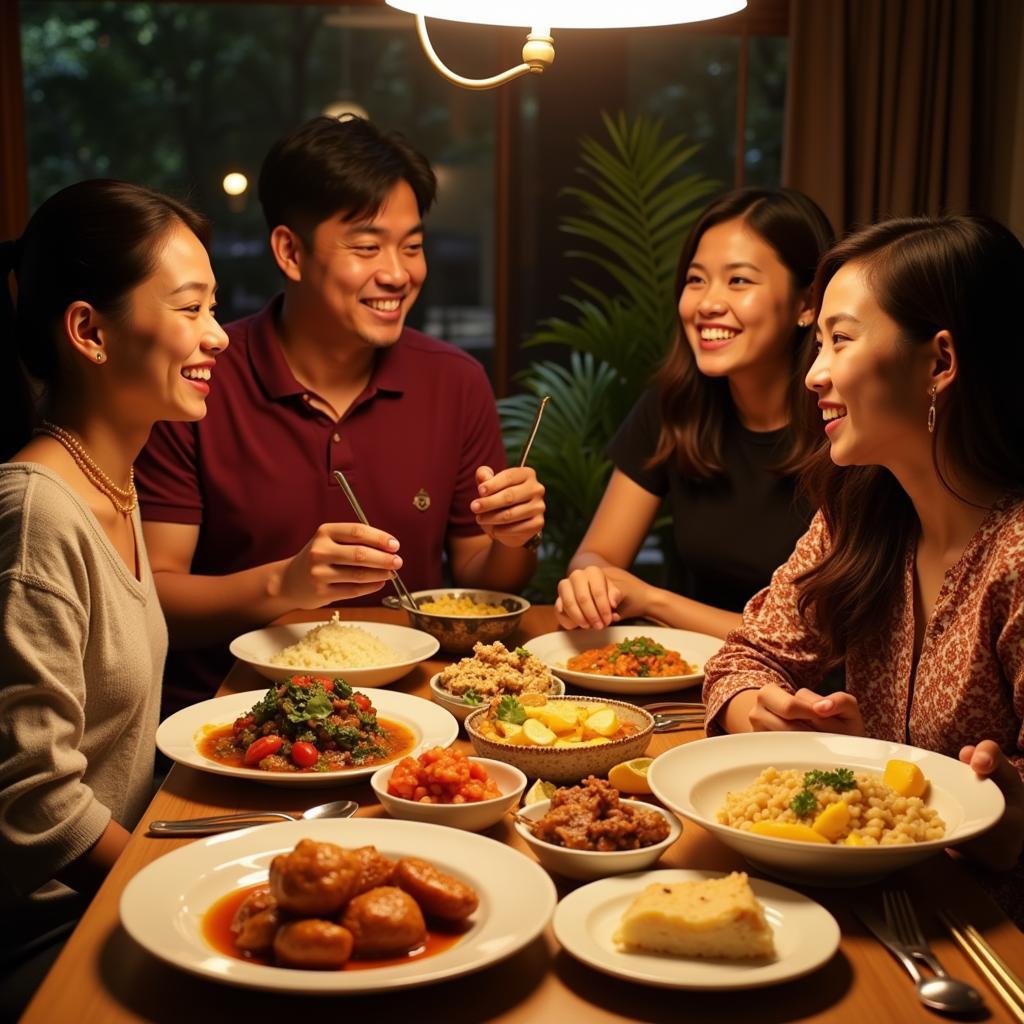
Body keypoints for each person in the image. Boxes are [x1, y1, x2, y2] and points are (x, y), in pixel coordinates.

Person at [136, 115, 545, 718]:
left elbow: (486, 580)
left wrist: (516, 536)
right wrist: (285, 583)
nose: (399, 273)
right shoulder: (199, 378)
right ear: (290, 252)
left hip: (414, 712)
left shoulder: (454, 380)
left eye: (413, 245)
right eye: (367, 246)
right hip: (233, 717)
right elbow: (155, 598)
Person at [702, 214, 1024, 876]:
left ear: (939, 361)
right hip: (864, 896)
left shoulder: (1016, 556)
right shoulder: (857, 514)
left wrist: (1009, 817)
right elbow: (744, 659)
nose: (815, 375)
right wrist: (768, 716)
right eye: (817, 343)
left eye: (840, 341)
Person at [0, 179, 228, 1013]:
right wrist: (184, 880)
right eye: (193, 308)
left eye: (216, 308)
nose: (219, 337)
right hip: (49, 934)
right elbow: (34, 802)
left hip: (116, 888)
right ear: (89, 332)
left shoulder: (116, 485)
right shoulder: (36, 514)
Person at [555, 188, 834, 635]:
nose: (706, 304)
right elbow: (596, 555)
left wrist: (653, 600)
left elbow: (815, 638)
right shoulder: (675, 406)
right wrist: (590, 580)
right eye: (696, 279)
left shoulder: (845, 426)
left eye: (738, 281)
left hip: (805, 693)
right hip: (687, 680)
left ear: (806, 304)